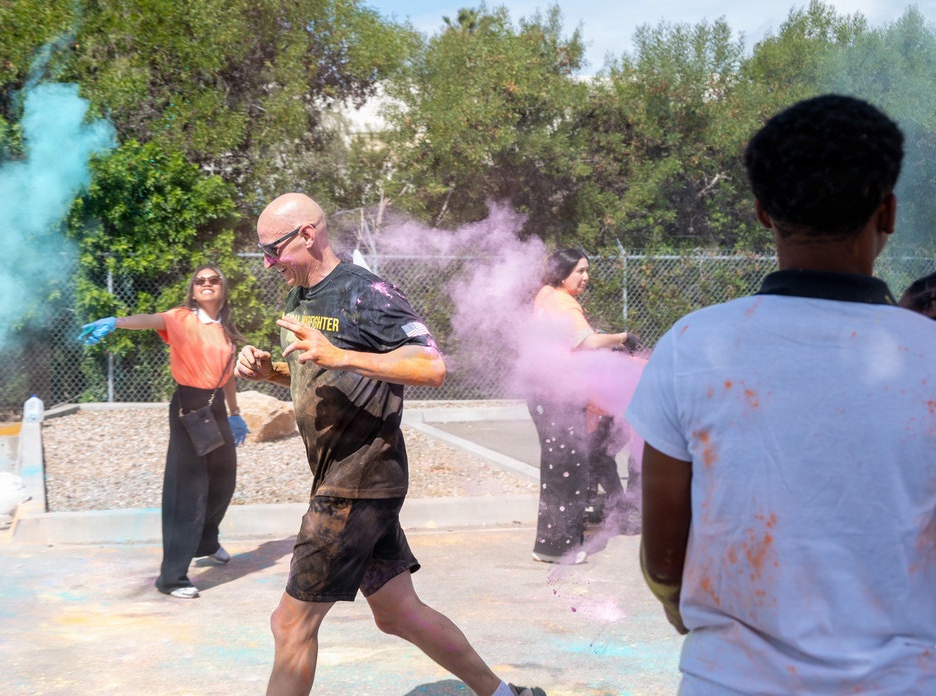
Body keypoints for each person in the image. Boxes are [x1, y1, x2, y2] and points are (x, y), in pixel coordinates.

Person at [625, 94, 936, 694]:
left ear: (764, 212)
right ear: (889, 211)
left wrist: (695, 620)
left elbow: (664, 559)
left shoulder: (693, 344)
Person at [234, 192, 541, 696]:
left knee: (290, 624)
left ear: (308, 235)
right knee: (398, 613)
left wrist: (341, 355)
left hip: (357, 481)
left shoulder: (366, 291)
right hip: (344, 479)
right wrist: (274, 371)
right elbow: (322, 368)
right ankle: (506, 693)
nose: (269, 264)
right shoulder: (300, 298)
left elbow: (430, 366)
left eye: (274, 251)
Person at [80, 265, 250, 599]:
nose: (206, 284)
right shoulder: (182, 318)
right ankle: (171, 577)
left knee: (223, 480)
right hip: (189, 405)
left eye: (213, 280)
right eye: (199, 280)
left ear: (222, 288)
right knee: (187, 490)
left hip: (215, 407)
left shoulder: (225, 328)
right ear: (193, 289)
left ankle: (205, 542)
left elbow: (227, 375)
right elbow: (149, 319)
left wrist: (235, 413)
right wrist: (115, 322)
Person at [526, 248, 639, 565]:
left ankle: (549, 545)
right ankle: (561, 548)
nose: (586, 277)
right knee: (570, 469)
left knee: (557, 467)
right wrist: (622, 337)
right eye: (580, 271)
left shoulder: (546, 294)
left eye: (587, 271)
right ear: (563, 273)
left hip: (541, 391)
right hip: (558, 392)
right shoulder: (563, 301)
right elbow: (586, 342)